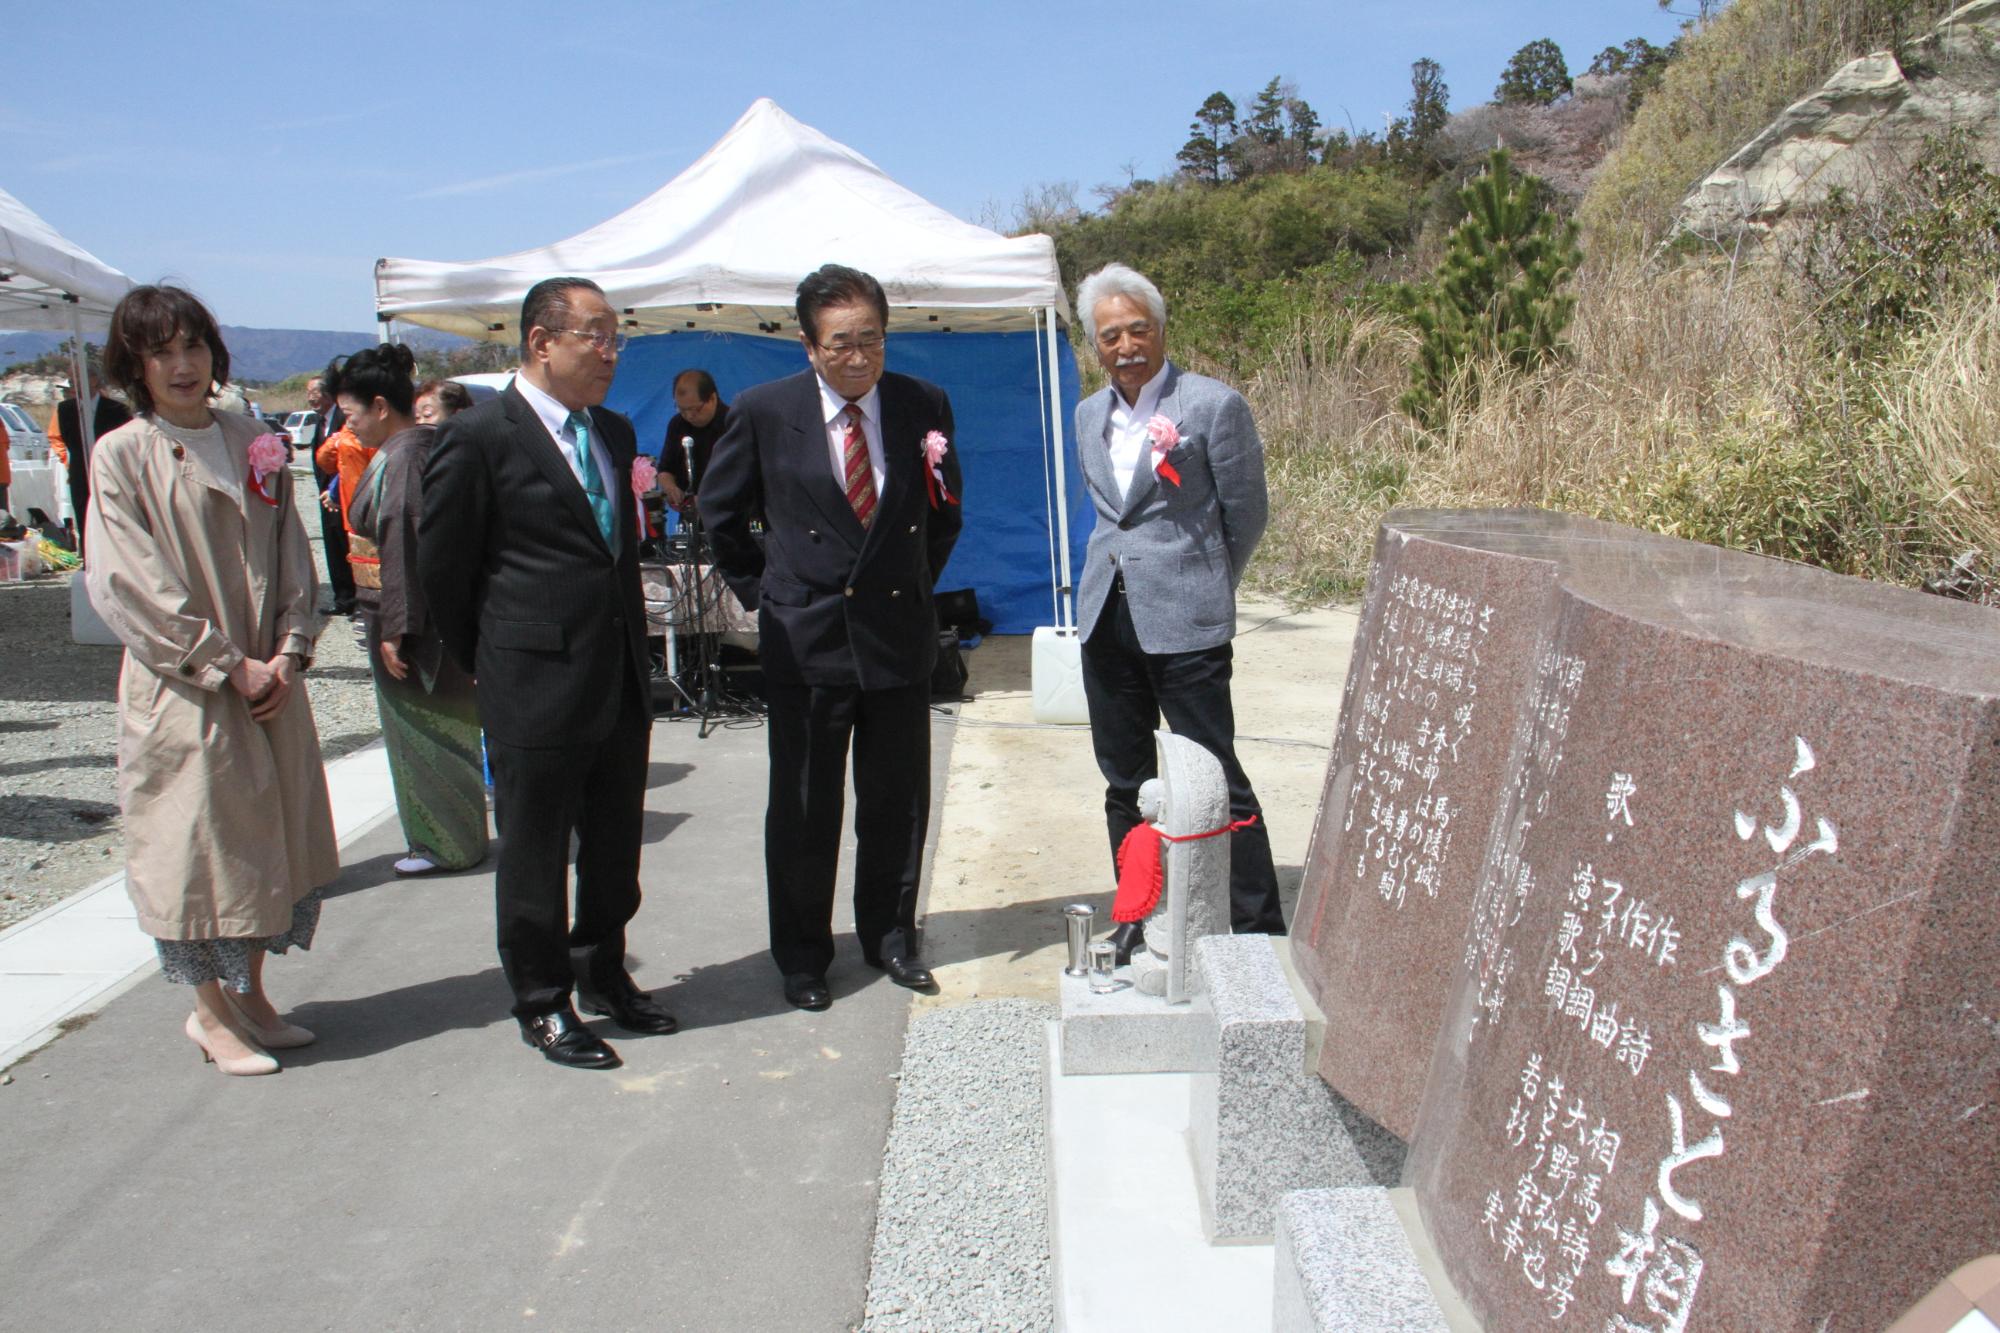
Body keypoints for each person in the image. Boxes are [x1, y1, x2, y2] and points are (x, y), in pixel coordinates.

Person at [419, 276, 672, 1070]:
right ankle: (541, 1000)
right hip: (532, 683)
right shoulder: (480, 436)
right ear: (540, 342)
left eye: (616, 339)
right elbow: (443, 573)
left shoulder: (616, 431)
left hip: (618, 675)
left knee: (612, 845)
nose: (610, 353)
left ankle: (604, 973)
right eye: (595, 337)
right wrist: (496, 661)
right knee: (533, 855)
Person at [85, 284, 338, 1076]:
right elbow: (132, 583)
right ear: (135, 365)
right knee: (196, 853)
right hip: (188, 689)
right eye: (160, 351)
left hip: (270, 682)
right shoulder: (123, 452)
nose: (181, 365)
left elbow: (292, 551)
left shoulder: (251, 437)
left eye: (192, 346)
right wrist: (226, 663)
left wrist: (292, 649)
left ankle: (253, 996)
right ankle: (208, 1014)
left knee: (269, 845)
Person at [702, 263, 963, 1013]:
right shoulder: (761, 410)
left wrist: (909, 581)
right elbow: (723, 518)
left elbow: (945, 513)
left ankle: (889, 935)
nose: (859, 358)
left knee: (897, 802)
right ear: (809, 347)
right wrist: (769, 593)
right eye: (841, 344)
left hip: (894, 634)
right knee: (806, 807)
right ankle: (804, 954)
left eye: (871, 340)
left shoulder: (923, 404)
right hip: (807, 639)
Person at [1071, 262, 1285, 944]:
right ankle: (1139, 913)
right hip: (1108, 615)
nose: (1127, 345)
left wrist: (1207, 581)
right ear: (1094, 345)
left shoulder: (1211, 405)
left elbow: (1246, 511)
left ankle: (1255, 925)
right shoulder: (1086, 415)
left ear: (1161, 330)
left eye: (1139, 329)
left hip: (1186, 621)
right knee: (1124, 777)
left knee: (1214, 775)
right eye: (1111, 335)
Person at [330, 346, 488, 881]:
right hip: (414, 609)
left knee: (425, 733)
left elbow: (403, 543)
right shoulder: (411, 451)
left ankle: (446, 842)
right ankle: (453, 836)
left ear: (379, 406)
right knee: (437, 729)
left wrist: (399, 627)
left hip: (409, 614)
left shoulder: (404, 457)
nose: (349, 429)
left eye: (350, 416)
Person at [49, 386, 134, 557]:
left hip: (111, 470)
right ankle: (89, 558)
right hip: (79, 470)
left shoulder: (116, 409)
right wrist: (67, 461)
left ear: (93, 380)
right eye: (73, 381)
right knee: (83, 513)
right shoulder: (65, 409)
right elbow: (62, 438)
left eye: (79, 380)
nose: (75, 385)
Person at [306, 374, 357, 615]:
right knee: (333, 545)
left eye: (314, 393)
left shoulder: (342, 419)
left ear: (327, 394)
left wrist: (335, 489)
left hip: (342, 492)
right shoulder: (320, 422)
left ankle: (357, 599)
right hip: (325, 493)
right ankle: (343, 599)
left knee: (348, 545)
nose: (310, 399)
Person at [658, 368, 727, 515]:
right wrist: (671, 488)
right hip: (692, 515)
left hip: (731, 514)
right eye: (682, 409)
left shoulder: (734, 423)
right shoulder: (677, 424)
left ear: (712, 398)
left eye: (695, 409)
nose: (689, 416)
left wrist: (708, 498)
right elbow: (665, 469)